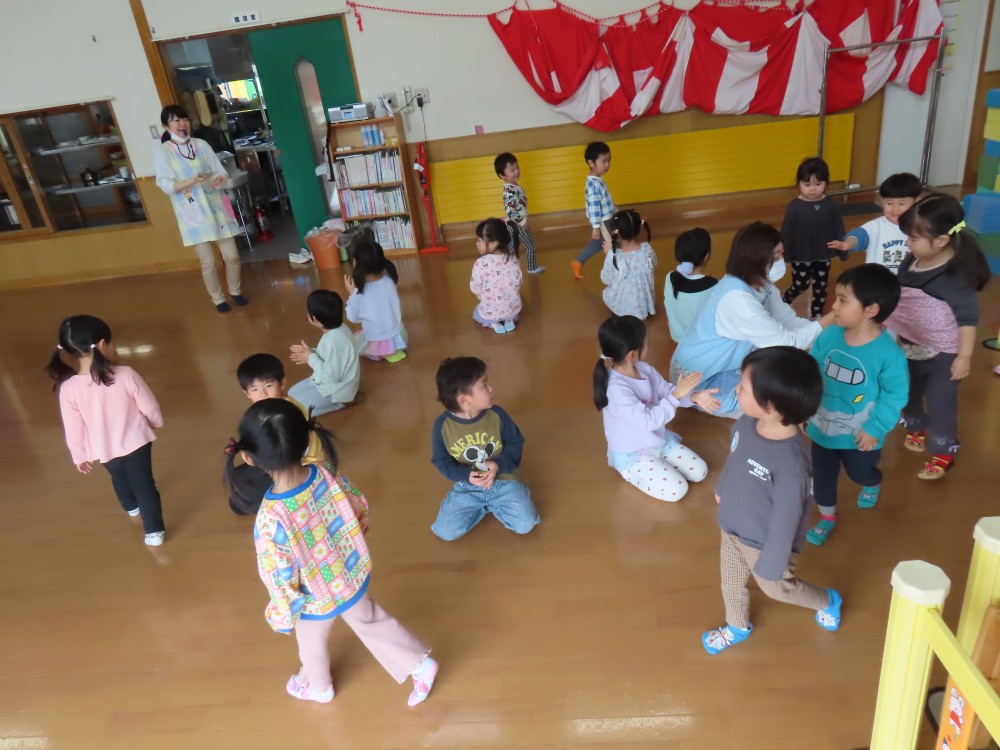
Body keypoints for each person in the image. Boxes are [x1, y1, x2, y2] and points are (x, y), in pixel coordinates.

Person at [227, 398, 437, 705]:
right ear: (306, 439)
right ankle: (420, 665)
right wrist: (357, 534)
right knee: (370, 619)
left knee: (310, 641)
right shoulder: (323, 473)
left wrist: (283, 615)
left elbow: (278, 576)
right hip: (349, 574)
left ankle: (319, 687)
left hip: (314, 598)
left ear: (249, 458)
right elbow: (355, 504)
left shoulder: (271, 519)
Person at [702, 347, 842, 654]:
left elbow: (787, 520)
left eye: (742, 387)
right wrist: (723, 487)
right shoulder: (745, 423)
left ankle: (827, 600)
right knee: (730, 581)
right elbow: (735, 458)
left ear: (770, 405)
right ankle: (737, 626)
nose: (736, 390)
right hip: (732, 526)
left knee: (778, 589)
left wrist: (773, 563)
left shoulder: (792, 464)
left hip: (764, 544)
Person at [672, 222, 832, 417]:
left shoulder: (761, 284)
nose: (782, 261)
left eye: (782, 254)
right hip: (697, 381)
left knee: (778, 359)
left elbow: (787, 321)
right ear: (757, 259)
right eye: (776, 256)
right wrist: (833, 317)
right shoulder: (738, 299)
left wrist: (829, 333)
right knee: (775, 393)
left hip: (719, 364)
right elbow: (788, 341)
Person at [885, 193, 991, 480]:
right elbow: (901, 296)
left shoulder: (955, 276)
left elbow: (967, 320)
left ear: (942, 240)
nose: (908, 243)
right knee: (908, 393)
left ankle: (944, 450)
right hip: (909, 346)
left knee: (940, 402)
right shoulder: (913, 259)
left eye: (913, 238)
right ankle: (916, 426)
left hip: (944, 355)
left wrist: (964, 357)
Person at [805, 265, 908, 546]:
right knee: (822, 477)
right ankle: (827, 517)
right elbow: (811, 373)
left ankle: (872, 482)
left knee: (859, 472)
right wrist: (804, 408)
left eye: (842, 300)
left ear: (871, 309)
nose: (834, 306)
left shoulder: (888, 353)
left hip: (862, 434)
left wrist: (875, 427)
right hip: (822, 427)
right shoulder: (828, 336)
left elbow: (895, 395)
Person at [47, 315, 166, 546]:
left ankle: (131, 507)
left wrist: (79, 456)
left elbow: (73, 428)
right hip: (137, 443)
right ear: (102, 344)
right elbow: (149, 405)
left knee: (118, 476)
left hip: (103, 449)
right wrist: (155, 422)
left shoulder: (68, 389)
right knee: (144, 484)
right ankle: (153, 531)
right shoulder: (126, 374)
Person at [594, 315, 718, 502]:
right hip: (634, 452)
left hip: (657, 440)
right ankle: (630, 472)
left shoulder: (643, 368)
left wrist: (694, 397)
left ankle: (659, 463)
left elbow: (666, 391)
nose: (648, 344)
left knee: (700, 472)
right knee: (677, 490)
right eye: (645, 342)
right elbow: (649, 421)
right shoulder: (616, 388)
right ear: (632, 354)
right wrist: (677, 395)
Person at [430, 356, 539, 541]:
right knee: (445, 531)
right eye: (484, 386)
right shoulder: (443, 426)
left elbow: (515, 443)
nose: (491, 389)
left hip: (503, 480)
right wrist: (466, 476)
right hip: (468, 486)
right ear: (464, 400)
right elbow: (442, 461)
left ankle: (497, 503)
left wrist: (497, 464)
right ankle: (485, 506)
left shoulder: (497, 415)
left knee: (525, 524)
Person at [153, 104, 248, 314]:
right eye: (176, 120)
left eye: (184, 119)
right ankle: (218, 298)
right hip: (192, 211)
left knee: (232, 256)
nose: (182, 124)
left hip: (217, 206)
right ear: (166, 126)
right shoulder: (163, 152)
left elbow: (219, 171)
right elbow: (166, 185)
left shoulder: (202, 144)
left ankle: (235, 290)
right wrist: (192, 181)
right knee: (208, 261)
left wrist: (219, 178)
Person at [226, 353, 325, 516]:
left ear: (282, 383)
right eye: (255, 389)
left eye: (269, 385)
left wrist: (255, 457)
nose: (263, 394)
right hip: (282, 460)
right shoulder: (270, 409)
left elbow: (287, 454)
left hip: (298, 467)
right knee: (238, 476)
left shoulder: (286, 413)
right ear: (247, 393)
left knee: (238, 503)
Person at [780, 157, 846, 320]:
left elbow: (838, 227)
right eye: (807, 184)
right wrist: (785, 254)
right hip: (800, 255)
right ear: (799, 183)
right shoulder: (795, 206)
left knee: (820, 287)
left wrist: (843, 249)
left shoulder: (831, 204)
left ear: (826, 183)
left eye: (818, 184)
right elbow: (787, 232)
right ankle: (784, 303)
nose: (812, 189)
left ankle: (816, 315)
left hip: (823, 255)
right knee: (800, 284)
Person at [828, 172, 923, 274]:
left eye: (901, 204)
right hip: (878, 279)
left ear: (917, 202)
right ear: (882, 202)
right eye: (889, 203)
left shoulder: (922, 227)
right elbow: (858, 236)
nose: (895, 209)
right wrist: (847, 244)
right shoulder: (875, 227)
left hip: (910, 280)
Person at [288, 289, 361, 416]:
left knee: (298, 409)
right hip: (326, 382)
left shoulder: (335, 340)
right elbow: (331, 357)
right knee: (291, 394)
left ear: (314, 319)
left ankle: (342, 403)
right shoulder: (337, 329)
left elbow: (332, 376)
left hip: (337, 391)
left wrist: (310, 358)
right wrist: (311, 352)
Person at [346, 238, 407, 363]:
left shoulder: (359, 293)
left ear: (355, 263)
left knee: (352, 341)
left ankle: (382, 352)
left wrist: (352, 294)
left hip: (376, 341)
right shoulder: (389, 281)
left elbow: (353, 318)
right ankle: (393, 350)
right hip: (399, 337)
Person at [600, 209, 657, 320]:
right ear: (638, 229)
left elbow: (606, 279)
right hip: (644, 304)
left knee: (608, 292)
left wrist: (610, 254)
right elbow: (653, 264)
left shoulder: (614, 256)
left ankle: (624, 311)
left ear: (615, 233)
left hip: (622, 308)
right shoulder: (647, 250)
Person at [664, 227, 717, 343]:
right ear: (706, 257)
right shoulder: (713, 286)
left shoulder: (670, 278)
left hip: (678, 337)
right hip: (701, 341)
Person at [470, 218, 523, 334]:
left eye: (480, 240)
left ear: (493, 243)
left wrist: (482, 296)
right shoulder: (513, 259)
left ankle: (493, 322)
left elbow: (475, 288)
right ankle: (509, 320)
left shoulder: (480, 263)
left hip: (490, 311)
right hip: (512, 310)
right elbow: (518, 283)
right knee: (510, 304)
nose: (477, 243)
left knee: (476, 311)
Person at [570, 142, 615, 280]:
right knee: (612, 246)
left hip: (607, 219)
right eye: (604, 161)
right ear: (591, 163)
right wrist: (596, 227)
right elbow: (594, 207)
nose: (607, 164)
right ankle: (615, 272)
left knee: (599, 243)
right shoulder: (594, 185)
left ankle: (578, 262)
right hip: (604, 221)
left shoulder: (597, 180)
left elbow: (605, 202)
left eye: (609, 160)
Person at [495, 152, 544, 274]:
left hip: (514, 224)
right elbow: (510, 211)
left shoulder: (514, 186)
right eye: (512, 170)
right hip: (517, 224)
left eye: (517, 167)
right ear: (502, 175)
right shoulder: (509, 191)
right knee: (530, 245)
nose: (516, 171)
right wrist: (522, 222)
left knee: (511, 247)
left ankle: (500, 265)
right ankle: (531, 268)